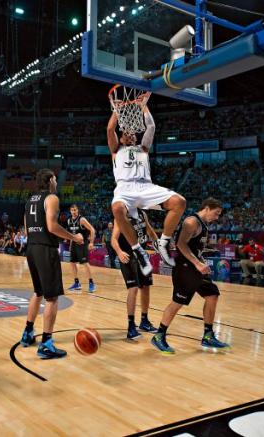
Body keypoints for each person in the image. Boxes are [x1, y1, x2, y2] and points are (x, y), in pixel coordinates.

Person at [107, 93, 186, 273]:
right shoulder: (116, 150)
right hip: (125, 188)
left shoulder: (143, 149)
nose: (130, 135)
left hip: (146, 187)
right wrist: (116, 111)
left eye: (133, 133)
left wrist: (143, 105)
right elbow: (110, 129)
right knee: (117, 208)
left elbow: (150, 126)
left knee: (179, 202)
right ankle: (138, 251)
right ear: (121, 138)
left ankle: (164, 242)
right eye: (126, 133)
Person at [151, 198, 230, 354]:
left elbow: (194, 247)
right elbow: (181, 244)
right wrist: (198, 263)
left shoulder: (203, 224)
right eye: (216, 213)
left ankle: (208, 335)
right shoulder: (191, 222)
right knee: (177, 302)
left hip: (196, 268)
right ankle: (159, 335)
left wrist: (202, 259)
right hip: (185, 268)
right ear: (207, 208)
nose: (217, 217)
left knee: (212, 294)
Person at [19, 169, 84, 359]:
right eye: (55, 178)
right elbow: (52, 226)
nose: (56, 181)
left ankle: (28, 333)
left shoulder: (30, 199)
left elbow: (26, 227)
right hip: (45, 250)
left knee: (38, 292)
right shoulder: (52, 198)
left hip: (31, 248)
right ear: (49, 180)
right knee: (52, 297)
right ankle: (46, 343)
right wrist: (74, 237)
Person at [111, 210, 158, 340]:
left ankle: (144, 321)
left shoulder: (142, 214)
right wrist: (119, 252)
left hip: (142, 256)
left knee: (146, 287)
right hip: (128, 256)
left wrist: (159, 245)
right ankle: (131, 326)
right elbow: (113, 239)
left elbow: (149, 230)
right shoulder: (121, 216)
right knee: (134, 288)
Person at [66, 204, 97, 293]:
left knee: (85, 263)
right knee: (72, 262)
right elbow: (72, 234)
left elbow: (92, 229)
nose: (74, 212)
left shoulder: (82, 220)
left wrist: (91, 242)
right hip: (74, 244)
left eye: (75, 210)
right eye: (72, 210)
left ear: (78, 210)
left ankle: (91, 283)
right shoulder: (69, 221)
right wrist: (70, 245)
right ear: (70, 211)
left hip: (82, 244)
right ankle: (76, 283)